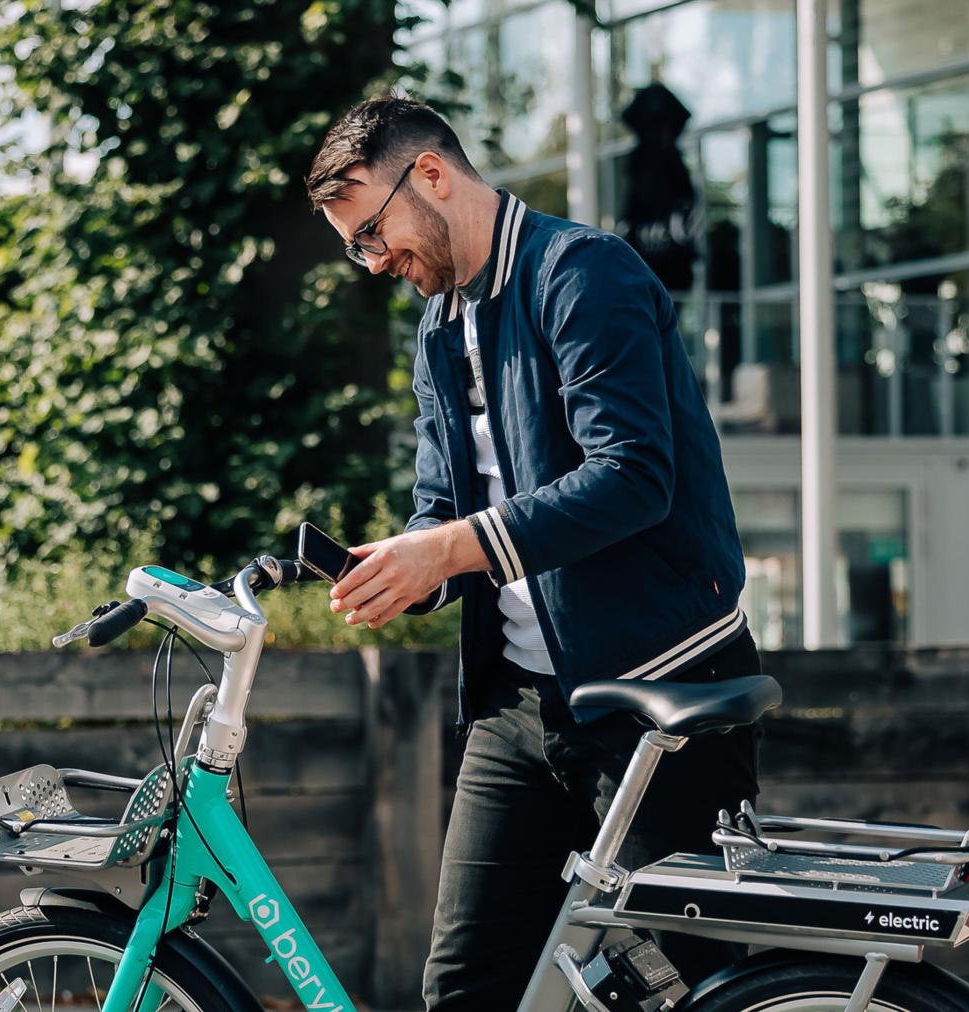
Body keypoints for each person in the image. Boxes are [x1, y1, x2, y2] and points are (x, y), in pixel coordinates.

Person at [305, 97, 761, 1010]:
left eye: (373, 234)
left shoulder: (583, 274)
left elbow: (632, 476)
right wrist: (403, 563)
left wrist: (450, 548)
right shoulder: (438, 329)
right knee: (468, 989)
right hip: (516, 709)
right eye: (358, 248)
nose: (376, 262)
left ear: (429, 174)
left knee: (698, 984)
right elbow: (444, 508)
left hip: (660, 690)